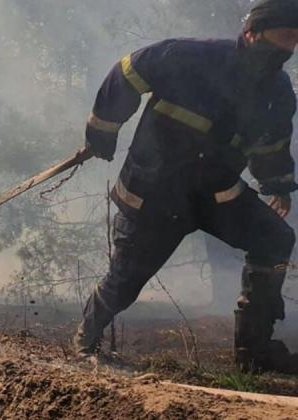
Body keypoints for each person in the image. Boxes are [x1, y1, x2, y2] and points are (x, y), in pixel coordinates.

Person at [75, 0, 298, 373]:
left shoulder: (278, 92)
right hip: (155, 192)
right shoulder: (189, 57)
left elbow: (272, 143)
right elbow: (127, 73)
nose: (289, 48)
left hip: (216, 193)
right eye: (286, 36)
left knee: (274, 239)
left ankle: (254, 353)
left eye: (296, 41)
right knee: (126, 279)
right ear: (253, 32)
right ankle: (86, 339)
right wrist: (102, 130)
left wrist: (278, 184)